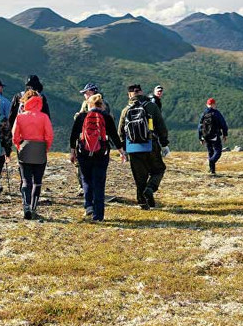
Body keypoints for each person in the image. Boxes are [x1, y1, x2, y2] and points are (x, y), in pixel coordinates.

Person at [70, 93, 126, 222]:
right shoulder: (106, 117)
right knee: (99, 183)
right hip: (101, 154)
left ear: (88, 104)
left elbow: (73, 135)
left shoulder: (82, 117)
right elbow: (114, 136)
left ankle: (88, 205)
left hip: (84, 153)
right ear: (102, 105)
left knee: (86, 179)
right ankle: (98, 215)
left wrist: (72, 152)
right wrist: (121, 152)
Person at [118, 84, 169, 210]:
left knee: (139, 177)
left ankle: (142, 203)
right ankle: (150, 188)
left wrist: (123, 149)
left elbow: (120, 132)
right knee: (158, 170)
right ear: (141, 92)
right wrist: (164, 143)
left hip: (133, 148)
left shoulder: (126, 110)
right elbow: (161, 125)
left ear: (130, 95)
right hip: (151, 144)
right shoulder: (151, 106)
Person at [12, 90, 54, 219]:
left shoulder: (20, 116)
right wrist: (46, 148)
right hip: (40, 149)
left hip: (25, 148)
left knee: (26, 180)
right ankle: (34, 207)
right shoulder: (44, 117)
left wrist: (19, 146)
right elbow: (49, 135)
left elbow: (14, 135)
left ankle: (26, 205)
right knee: (37, 182)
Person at [74, 82, 113, 195]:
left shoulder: (87, 104)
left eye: (85, 93)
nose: (84, 95)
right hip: (102, 140)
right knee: (99, 165)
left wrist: (77, 116)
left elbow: (80, 119)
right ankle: (97, 187)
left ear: (91, 92)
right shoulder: (105, 104)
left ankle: (84, 187)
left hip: (86, 139)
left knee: (82, 164)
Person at [198, 98, 228, 175]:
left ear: (207, 104)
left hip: (206, 136)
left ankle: (212, 171)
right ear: (214, 104)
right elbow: (223, 124)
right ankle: (212, 161)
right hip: (214, 135)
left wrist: (200, 138)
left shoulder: (204, 113)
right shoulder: (216, 113)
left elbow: (200, 126)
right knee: (218, 151)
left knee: (210, 152)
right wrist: (225, 134)